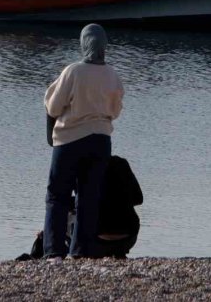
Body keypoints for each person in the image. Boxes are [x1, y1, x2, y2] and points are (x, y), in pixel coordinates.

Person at [43, 23, 124, 259]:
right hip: (101, 141)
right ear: (104, 46)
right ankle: (79, 252)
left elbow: (53, 106)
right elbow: (116, 111)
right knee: (89, 197)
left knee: (57, 195)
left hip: (70, 139)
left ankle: (53, 252)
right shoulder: (113, 75)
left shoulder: (73, 71)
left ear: (83, 44)